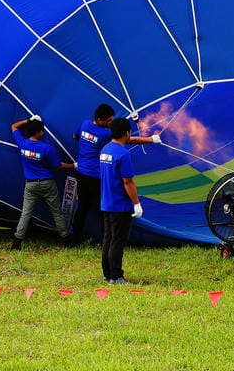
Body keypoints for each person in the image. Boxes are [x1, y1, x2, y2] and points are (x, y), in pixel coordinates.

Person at [69, 103, 161, 245]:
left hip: (81, 174)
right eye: (108, 121)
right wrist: (152, 139)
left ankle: (74, 239)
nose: (111, 123)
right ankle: (105, 241)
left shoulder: (84, 124)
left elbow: (75, 136)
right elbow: (129, 139)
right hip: (96, 177)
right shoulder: (105, 134)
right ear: (99, 120)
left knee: (82, 207)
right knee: (104, 210)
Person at [10, 114, 75, 250]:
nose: (43, 133)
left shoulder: (23, 144)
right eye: (41, 131)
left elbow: (14, 126)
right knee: (56, 212)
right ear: (38, 132)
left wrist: (28, 121)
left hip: (31, 185)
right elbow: (57, 166)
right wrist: (73, 165)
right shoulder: (46, 148)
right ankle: (66, 240)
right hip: (47, 184)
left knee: (26, 214)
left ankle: (17, 243)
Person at [99, 117, 143, 284]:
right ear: (127, 133)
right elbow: (128, 181)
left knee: (108, 239)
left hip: (106, 203)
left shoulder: (105, 150)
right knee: (117, 241)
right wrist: (137, 203)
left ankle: (107, 274)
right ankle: (116, 276)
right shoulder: (123, 154)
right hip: (120, 205)